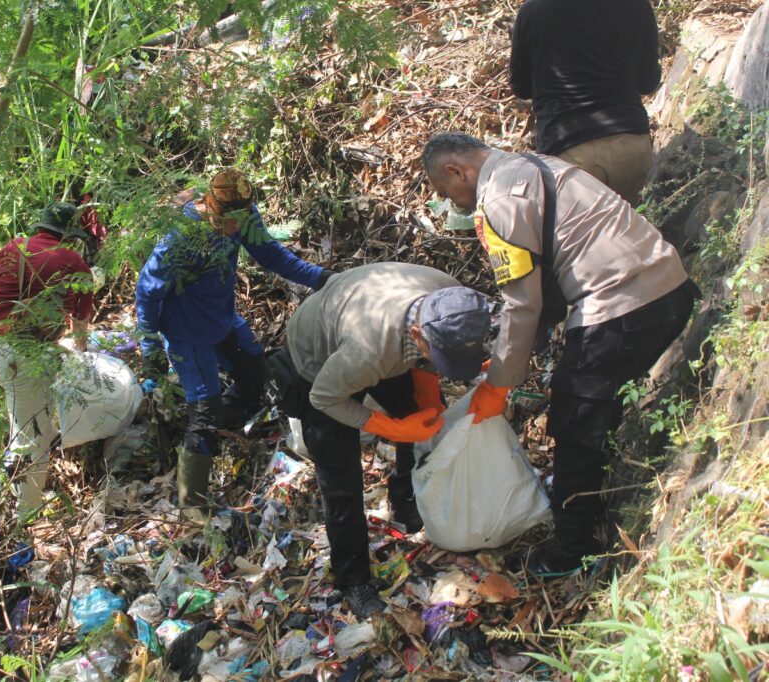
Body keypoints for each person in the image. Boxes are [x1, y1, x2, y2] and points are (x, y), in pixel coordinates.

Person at [421, 132, 698, 575]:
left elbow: (522, 303)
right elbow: (546, 286)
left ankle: (571, 548)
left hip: (622, 306)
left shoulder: (496, 202)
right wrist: (515, 355)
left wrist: (498, 386)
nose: (453, 203)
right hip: (670, 284)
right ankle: (593, 493)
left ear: (458, 171)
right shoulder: (538, 164)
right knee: (587, 396)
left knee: (573, 416)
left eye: (445, 192)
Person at [268, 262, 491, 618]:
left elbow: (430, 361)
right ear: (419, 335)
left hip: (378, 340)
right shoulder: (369, 350)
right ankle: (353, 578)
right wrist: (393, 428)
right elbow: (324, 398)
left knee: (423, 416)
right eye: (440, 358)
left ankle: (405, 499)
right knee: (341, 476)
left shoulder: (450, 299)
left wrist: (428, 386)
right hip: (318, 365)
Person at [136, 169, 333, 508]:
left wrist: (323, 278)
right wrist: (150, 347)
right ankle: (191, 502)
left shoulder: (244, 218)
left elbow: (273, 256)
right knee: (205, 410)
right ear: (209, 206)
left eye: (239, 221)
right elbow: (148, 292)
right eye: (225, 221)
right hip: (186, 331)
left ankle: (222, 433)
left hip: (222, 317)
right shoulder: (182, 236)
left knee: (253, 373)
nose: (232, 229)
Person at [0, 202, 94, 520]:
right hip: (18, 355)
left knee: (28, 415)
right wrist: (81, 354)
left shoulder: (12, 247)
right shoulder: (73, 261)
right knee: (33, 441)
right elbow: (80, 326)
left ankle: (13, 479)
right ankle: (23, 518)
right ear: (69, 235)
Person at [509, 0, 662, 206]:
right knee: (634, 234)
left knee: (580, 237)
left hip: (567, 152)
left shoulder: (532, 11)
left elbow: (520, 87)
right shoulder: (636, 5)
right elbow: (648, 82)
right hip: (629, 145)